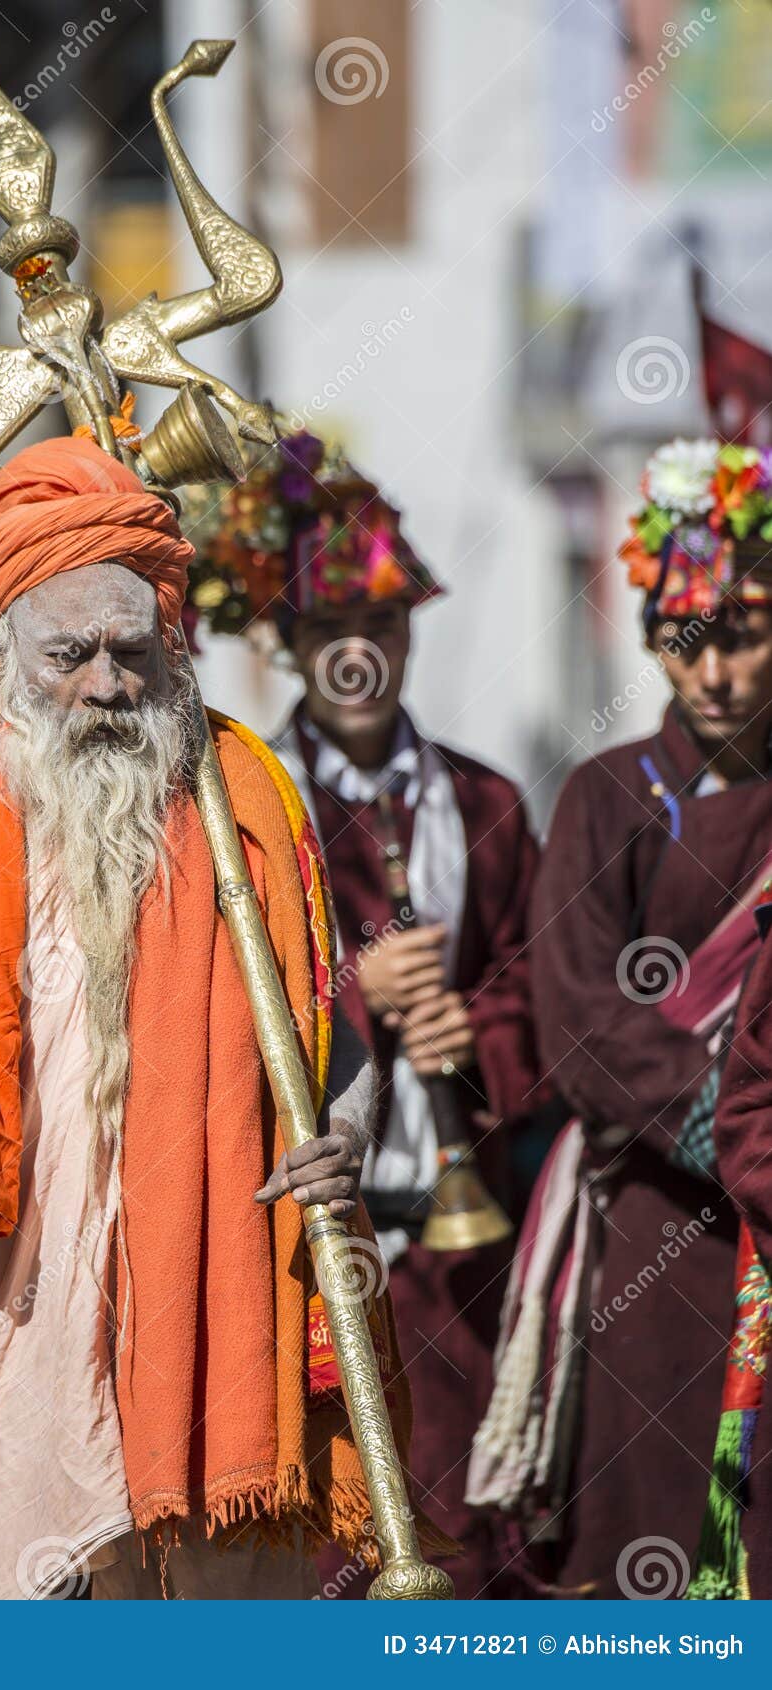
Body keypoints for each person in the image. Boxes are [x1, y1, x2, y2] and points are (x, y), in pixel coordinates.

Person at [0, 435, 440, 1601]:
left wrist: (343, 1129)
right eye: (69, 654)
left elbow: (322, 1038)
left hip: (204, 1297)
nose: (105, 684)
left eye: (131, 653)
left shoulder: (235, 791)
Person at [185, 431, 545, 1596]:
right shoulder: (242, 809)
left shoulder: (483, 801)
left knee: (467, 1525)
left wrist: (473, 1031)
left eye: (379, 626)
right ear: (285, 644)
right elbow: (206, 999)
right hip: (297, 1235)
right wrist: (353, 997)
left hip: (465, 1239)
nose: (358, 651)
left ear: (408, 634)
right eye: (328, 630)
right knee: (321, 1538)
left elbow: (547, 982)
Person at [468, 436, 772, 1598]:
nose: (715, 672)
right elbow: (580, 1012)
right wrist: (719, 1130)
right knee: (643, 1518)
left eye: (741, 634)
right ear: (651, 642)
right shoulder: (606, 797)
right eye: (685, 640)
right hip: (659, 1217)